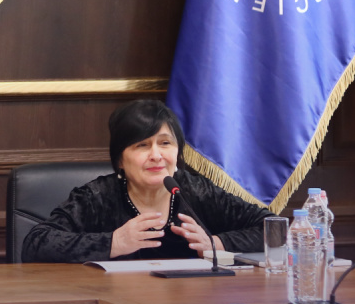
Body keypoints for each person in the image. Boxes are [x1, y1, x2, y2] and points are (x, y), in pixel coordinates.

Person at [22, 99, 268, 263]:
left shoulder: (196, 192)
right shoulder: (97, 197)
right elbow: (35, 243)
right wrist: (114, 242)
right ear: (120, 160)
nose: (156, 155)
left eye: (165, 143)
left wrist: (215, 243)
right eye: (142, 145)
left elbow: (273, 228)